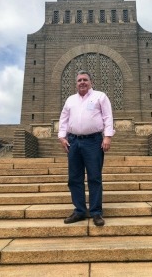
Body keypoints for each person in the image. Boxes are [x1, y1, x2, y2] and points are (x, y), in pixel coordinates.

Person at [58, 70, 115, 226]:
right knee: (74, 178)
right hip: (73, 142)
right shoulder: (70, 100)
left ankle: (96, 212)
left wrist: (108, 136)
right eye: (79, 80)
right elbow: (64, 119)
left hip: (93, 141)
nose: (82, 82)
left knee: (94, 177)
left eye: (85, 79)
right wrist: (62, 137)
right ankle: (80, 211)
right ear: (76, 83)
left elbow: (108, 117)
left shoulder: (100, 96)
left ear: (91, 82)